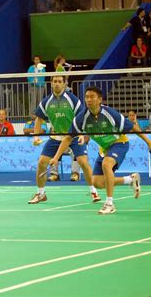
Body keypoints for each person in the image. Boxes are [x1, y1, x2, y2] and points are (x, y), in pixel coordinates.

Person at [49, 86, 151, 214]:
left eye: (92, 97)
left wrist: (149, 142)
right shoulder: (82, 118)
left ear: (100, 99)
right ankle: (130, 180)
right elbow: (68, 138)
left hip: (119, 143)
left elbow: (132, 128)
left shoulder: (110, 114)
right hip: (104, 148)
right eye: (86, 97)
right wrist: (55, 157)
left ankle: (109, 204)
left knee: (106, 164)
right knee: (97, 182)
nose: (88, 100)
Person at [29, 75, 101, 204]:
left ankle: (94, 191)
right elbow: (39, 119)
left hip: (73, 135)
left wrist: (83, 135)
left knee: (83, 162)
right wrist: (36, 136)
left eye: (59, 82)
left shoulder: (72, 99)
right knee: (41, 163)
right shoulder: (46, 102)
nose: (57, 84)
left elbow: (83, 116)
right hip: (56, 137)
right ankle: (40, 194)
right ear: (51, 83)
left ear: (64, 84)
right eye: (55, 81)